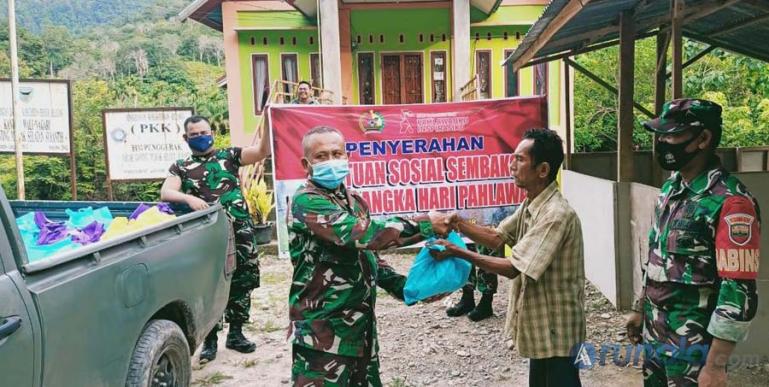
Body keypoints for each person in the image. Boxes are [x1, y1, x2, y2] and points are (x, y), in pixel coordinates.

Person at [288, 126, 450, 386]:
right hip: (323, 335)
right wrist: (425, 224)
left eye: (337, 153)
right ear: (306, 164)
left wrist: (406, 287)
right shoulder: (306, 202)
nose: (331, 160)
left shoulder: (355, 201)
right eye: (321, 156)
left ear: (347, 157)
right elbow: (365, 235)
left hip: (360, 330)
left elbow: (368, 254)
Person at [431, 128, 585, 387]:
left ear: (543, 170)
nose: (511, 165)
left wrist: (457, 251)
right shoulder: (532, 203)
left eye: (520, 159)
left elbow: (513, 268)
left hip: (558, 333)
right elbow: (496, 237)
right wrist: (458, 223)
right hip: (543, 329)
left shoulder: (556, 214)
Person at [626, 98, 760, 387]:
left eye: (672, 135)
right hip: (655, 338)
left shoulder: (732, 202)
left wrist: (716, 366)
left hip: (695, 352)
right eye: (661, 134)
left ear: (703, 138)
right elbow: (655, 256)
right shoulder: (670, 189)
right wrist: (639, 309)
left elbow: (738, 290)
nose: (662, 142)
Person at [160, 115, 271, 363]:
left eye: (204, 132)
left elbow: (262, 152)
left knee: (243, 279)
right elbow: (166, 192)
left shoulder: (229, 156)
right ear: (185, 138)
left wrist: (269, 125)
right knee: (209, 283)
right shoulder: (181, 166)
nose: (201, 137)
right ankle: (209, 340)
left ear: (212, 132)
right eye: (194, 134)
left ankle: (237, 333)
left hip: (240, 229)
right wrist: (188, 199)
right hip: (207, 235)